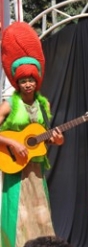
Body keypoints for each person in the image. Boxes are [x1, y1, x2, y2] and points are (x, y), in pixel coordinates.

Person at [0, 22, 64, 247]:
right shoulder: (9, 105)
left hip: (35, 167)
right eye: (23, 80)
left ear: (37, 81)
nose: (27, 84)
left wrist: (57, 139)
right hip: (14, 166)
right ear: (17, 82)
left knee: (40, 213)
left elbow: (48, 137)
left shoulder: (43, 105)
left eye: (31, 79)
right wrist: (12, 143)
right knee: (19, 215)